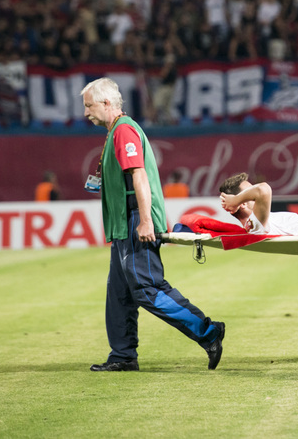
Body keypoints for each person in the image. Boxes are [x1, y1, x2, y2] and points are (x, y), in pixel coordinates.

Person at [80, 77, 224, 372]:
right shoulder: (116, 131)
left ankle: (208, 332)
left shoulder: (123, 130)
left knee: (147, 288)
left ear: (106, 103)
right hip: (124, 224)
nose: (85, 112)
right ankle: (122, 356)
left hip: (136, 220)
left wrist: (146, 220)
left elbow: (139, 175)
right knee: (119, 295)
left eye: (89, 105)